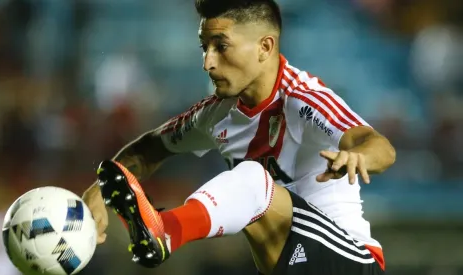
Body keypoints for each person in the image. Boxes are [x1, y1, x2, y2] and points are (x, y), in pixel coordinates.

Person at [82, 0, 396, 274]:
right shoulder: (214, 114)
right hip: (285, 266)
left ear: (265, 47)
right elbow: (149, 149)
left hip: (351, 261)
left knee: (252, 179)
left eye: (221, 45)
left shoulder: (302, 99)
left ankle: (166, 232)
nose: (208, 62)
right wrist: (99, 190)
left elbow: (379, 146)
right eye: (204, 47)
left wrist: (358, 156)